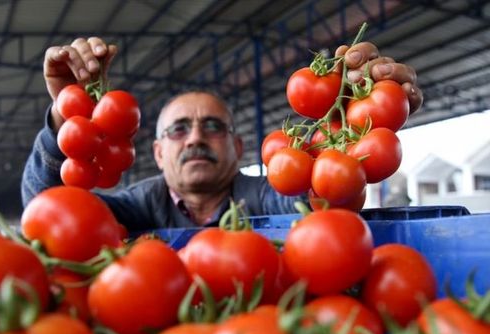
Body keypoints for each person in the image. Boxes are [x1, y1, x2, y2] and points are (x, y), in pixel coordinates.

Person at [21, 37, 423, 232]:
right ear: (159, 153)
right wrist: (66, 120)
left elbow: (321, 199)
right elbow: (47, 212)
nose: (195, 137)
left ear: (238, 146)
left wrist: (354, 123)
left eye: (213, 126)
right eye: (179, 129)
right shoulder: (137, 207)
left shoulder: (268, 195)